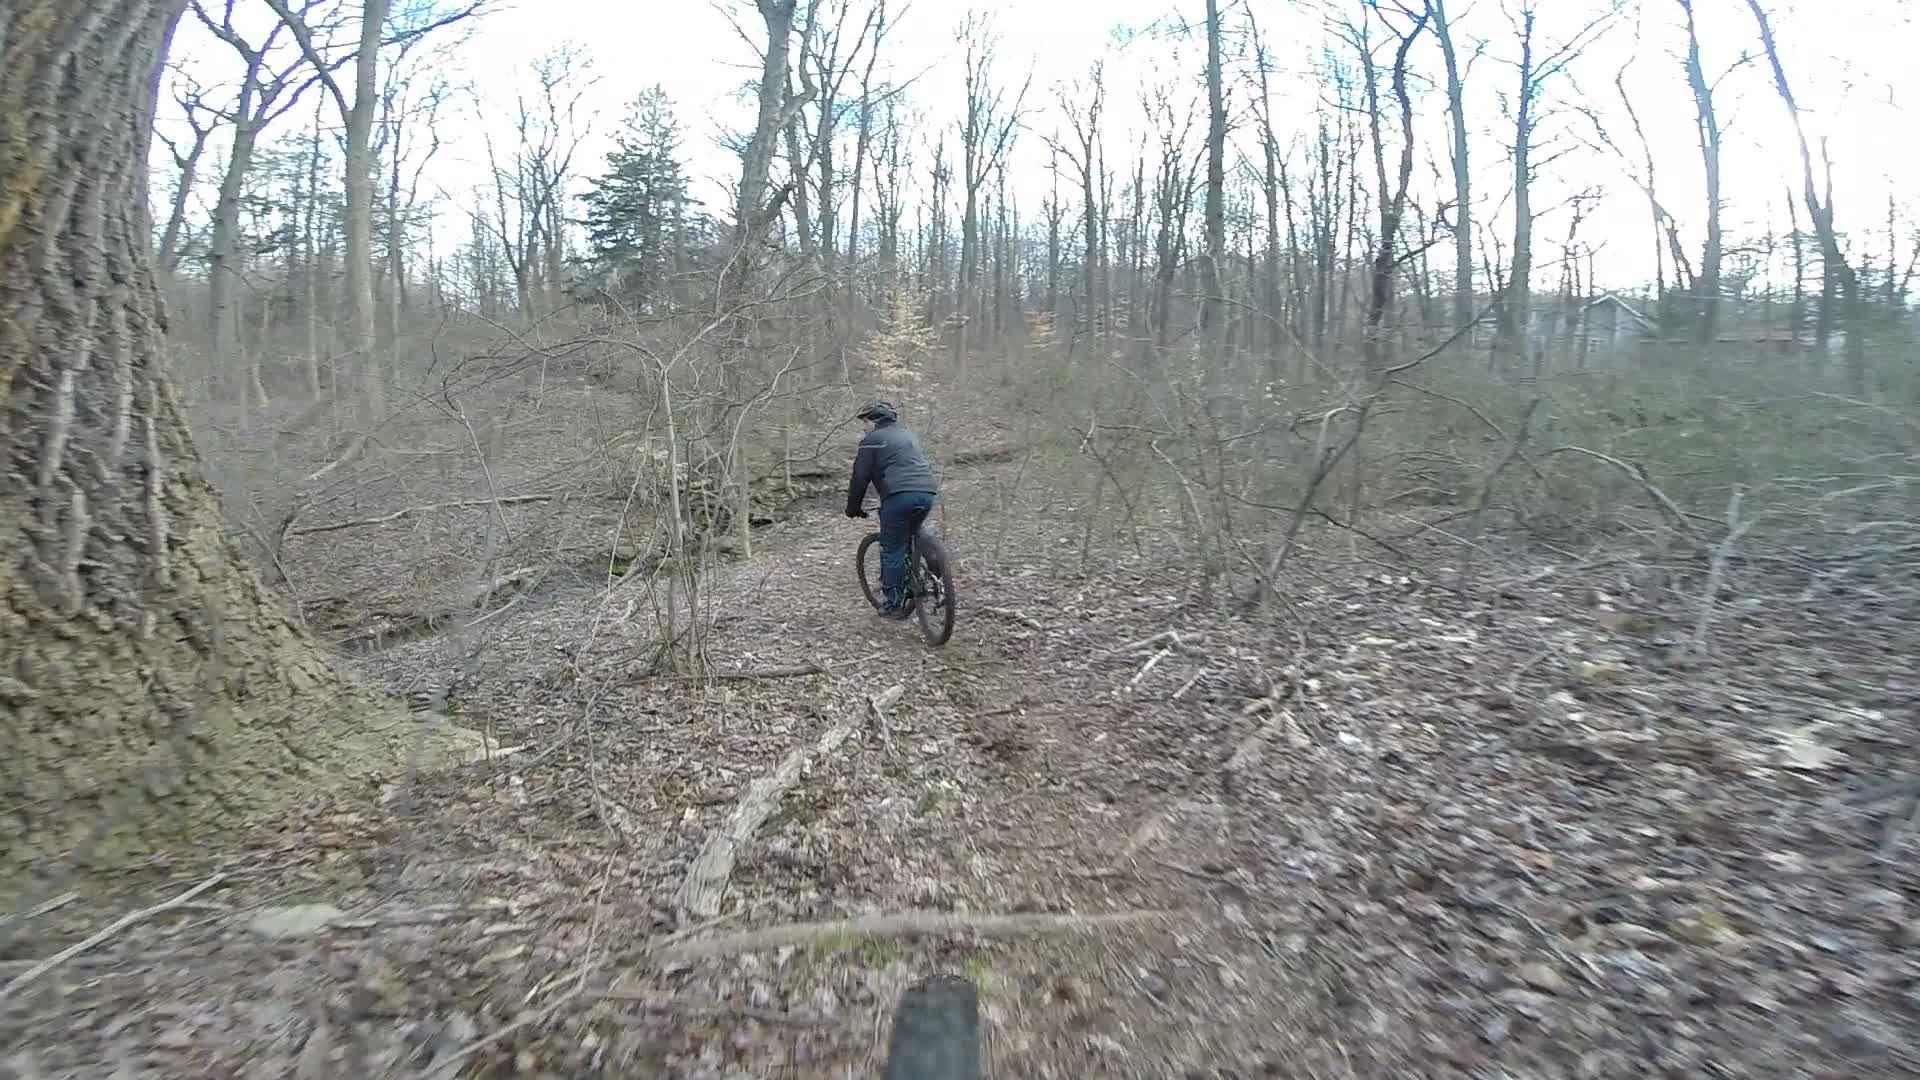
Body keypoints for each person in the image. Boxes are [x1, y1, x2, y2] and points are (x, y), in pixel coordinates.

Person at [845, 400, 940, 617]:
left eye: (866, 422)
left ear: (876, 421)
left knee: (892, 548)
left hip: (898, 495)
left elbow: (860, 478)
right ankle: (935, 565)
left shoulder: (872, 440)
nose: (864, 427)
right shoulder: (909, 436)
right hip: (927, 491)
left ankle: (893, 603)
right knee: (914, 529)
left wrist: (853, 507)